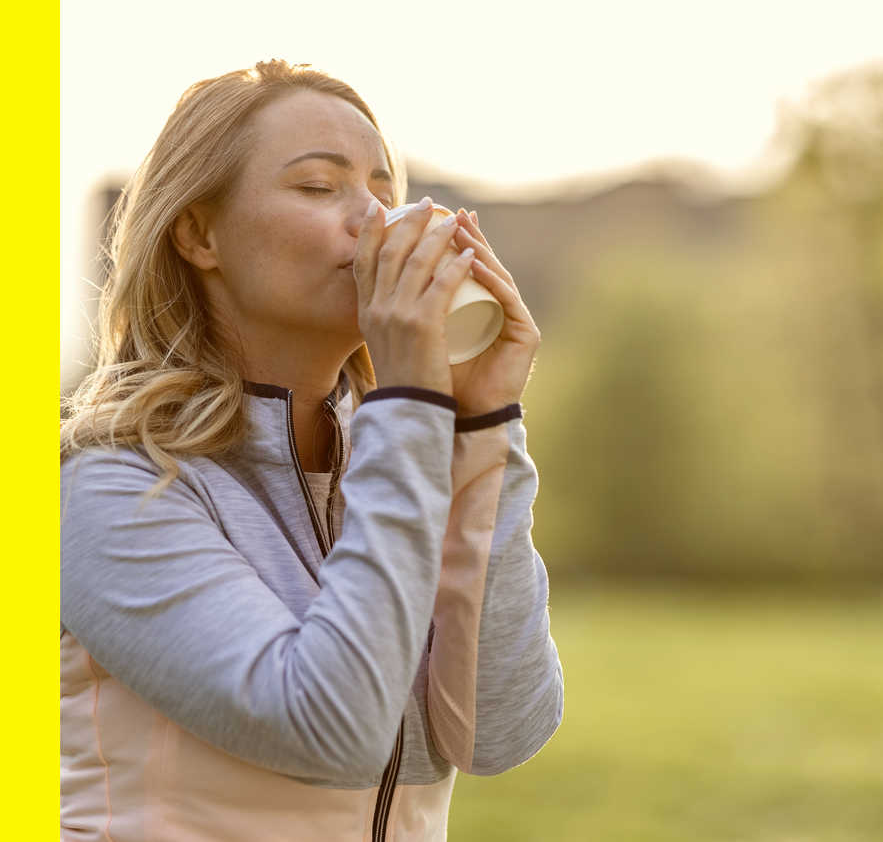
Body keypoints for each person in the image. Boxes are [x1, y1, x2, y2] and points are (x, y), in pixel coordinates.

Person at [60, 58, 564, 841]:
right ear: (198, 233)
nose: (373, 220)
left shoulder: (397, 454)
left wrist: (481, 423)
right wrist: (412, 406)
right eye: (319, 187)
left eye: (382, 192)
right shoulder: (110, 486)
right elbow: (333, 726)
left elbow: (497, 729)